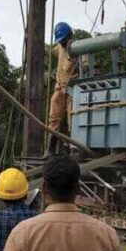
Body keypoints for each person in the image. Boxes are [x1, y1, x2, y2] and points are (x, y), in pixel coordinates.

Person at [46, 22, 78, 156]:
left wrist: (83, 70)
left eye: (64, 40)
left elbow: (87, 66)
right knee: (53, 117)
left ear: (70, 35)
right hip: (60, 86)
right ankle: (50, 148)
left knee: (73, 117)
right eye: (61, 41)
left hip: (73, 88)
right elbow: (51, 52)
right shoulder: (60, 47)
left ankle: (73, 149)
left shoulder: (78, 47)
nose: (63, 43)